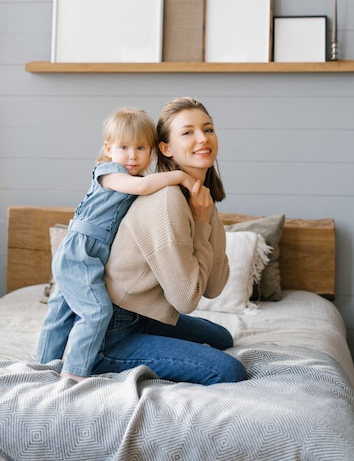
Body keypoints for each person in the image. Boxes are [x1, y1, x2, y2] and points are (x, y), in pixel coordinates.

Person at [90, 97, 247, 385]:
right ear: (166, 148)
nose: (202, 138)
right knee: (229, 371)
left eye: (208, 129)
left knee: (222, 337)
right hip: (111, 331)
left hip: (146, 315)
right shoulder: (167, 199)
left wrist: (207, 216)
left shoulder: (198, 197)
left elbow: (212, 287)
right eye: (188, 132)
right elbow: (187, 299)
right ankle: (103, 360)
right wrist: (200, 225)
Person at [36, 107, 196, 381]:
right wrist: (181, 176)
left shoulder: (138, 180)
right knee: (96, 311)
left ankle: (43, 365)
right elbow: (143, 188)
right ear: (109, 149)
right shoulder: (108, 173)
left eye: (140, 148)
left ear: (152, 151)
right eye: (124, 147)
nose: (132, 155)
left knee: (61, 313)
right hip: (80, 252)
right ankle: (73, 373)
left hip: (89, 256)